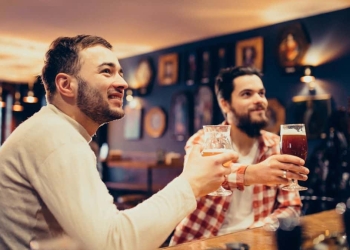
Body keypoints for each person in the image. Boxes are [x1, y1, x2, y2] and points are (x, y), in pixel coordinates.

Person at [0, 35, 238, 250]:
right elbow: (112, 244)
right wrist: (191, 183)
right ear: (66, 85)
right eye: (106, 71)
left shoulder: (55, 131)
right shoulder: (56, 138)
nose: (123, 83)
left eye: (120, 73)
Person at [170, 66, 309, 245]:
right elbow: (205, 174)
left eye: (261, 93)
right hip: (199, 243)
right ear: (224, 104)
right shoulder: (203, 140)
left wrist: (258, 231)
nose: (259, 100)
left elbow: (290, 206)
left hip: (252, 243)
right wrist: (252, 173)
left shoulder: (276, 145)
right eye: (247, 94)